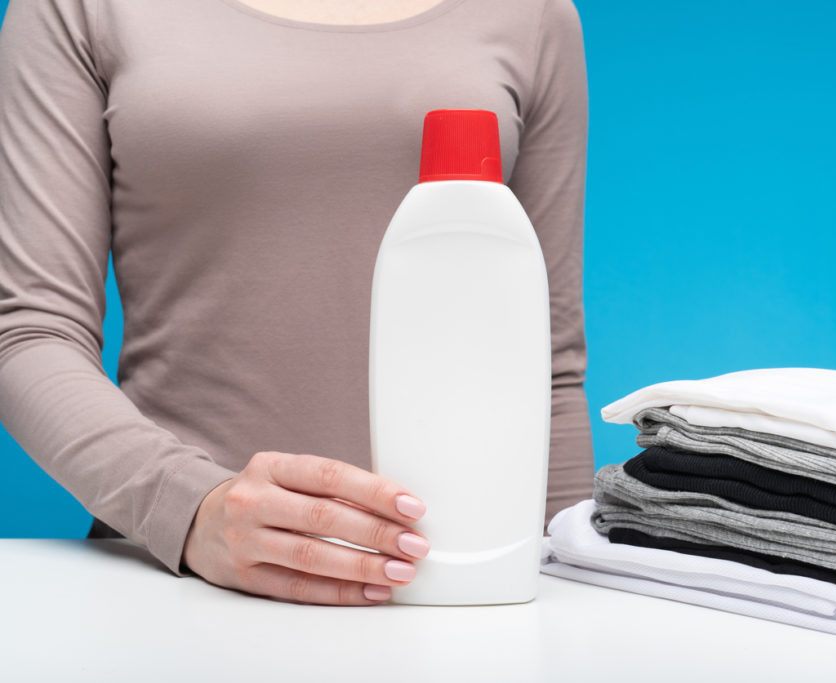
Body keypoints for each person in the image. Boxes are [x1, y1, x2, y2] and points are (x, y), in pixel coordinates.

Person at [0, 0, 594, 606]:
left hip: (466, 589)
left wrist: (572, 587)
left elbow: (544, 360)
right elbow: (29, 332)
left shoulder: (532, 15)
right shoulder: (76, 9)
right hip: (190, 584)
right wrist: (191, 508)